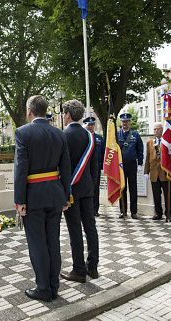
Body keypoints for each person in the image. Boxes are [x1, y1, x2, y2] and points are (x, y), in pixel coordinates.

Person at [14, 95, 71, 302]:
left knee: (38, 244)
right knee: (53, 242)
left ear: (30, 110)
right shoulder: (59, 133)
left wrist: (19, 200)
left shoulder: (22, 132)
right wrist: (66, 196)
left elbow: (21, 169)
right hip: (55, 194)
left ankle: (43, 289)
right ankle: (54, 286)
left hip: (33, 195)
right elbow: (66, 168)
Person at [60, 101, 99, 283]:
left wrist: (63, 193)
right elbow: (94, 167)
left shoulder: (63, 136)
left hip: (71, 191)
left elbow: (63, 167)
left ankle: (78, 270)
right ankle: (93, 266)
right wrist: (92, 188)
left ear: (67, 114)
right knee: (90, 227)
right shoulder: (90, 136)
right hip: (88, 189)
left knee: (75, 230)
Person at [144, 122, 171, 221]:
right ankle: (158, 213)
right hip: (154, 173)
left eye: (158, 129)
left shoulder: (168, 141)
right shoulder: (150, 142)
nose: (156, 131)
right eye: (154, 129)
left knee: (167, 195)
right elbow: (148, 158)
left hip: (165, 172)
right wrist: (146, 172)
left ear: (162, 130)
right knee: (156, 195)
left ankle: (169, 214)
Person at [117, 113, 144, 219]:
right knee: (122, 189)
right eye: (123, 122)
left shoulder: (135, 135)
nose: (125, 123)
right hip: (121, 165)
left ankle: (134, 212)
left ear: (129, 122)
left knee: (133, 189)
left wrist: (140, 164)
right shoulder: (117, 135)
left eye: (127, 121)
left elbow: (140, 150)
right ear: (121, 123)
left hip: (132, 164)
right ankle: (122, 211)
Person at [83, 116, 105, 217]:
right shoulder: (83, 137)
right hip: (84, 168)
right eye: (89, 125)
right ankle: (86, 209)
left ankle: (95, 209)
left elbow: (103, 153)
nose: (91, 126)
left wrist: (102, 167)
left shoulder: (99, 138)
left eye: (92, 124)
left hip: (96, 167)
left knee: (96, 189)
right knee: (86, 188)